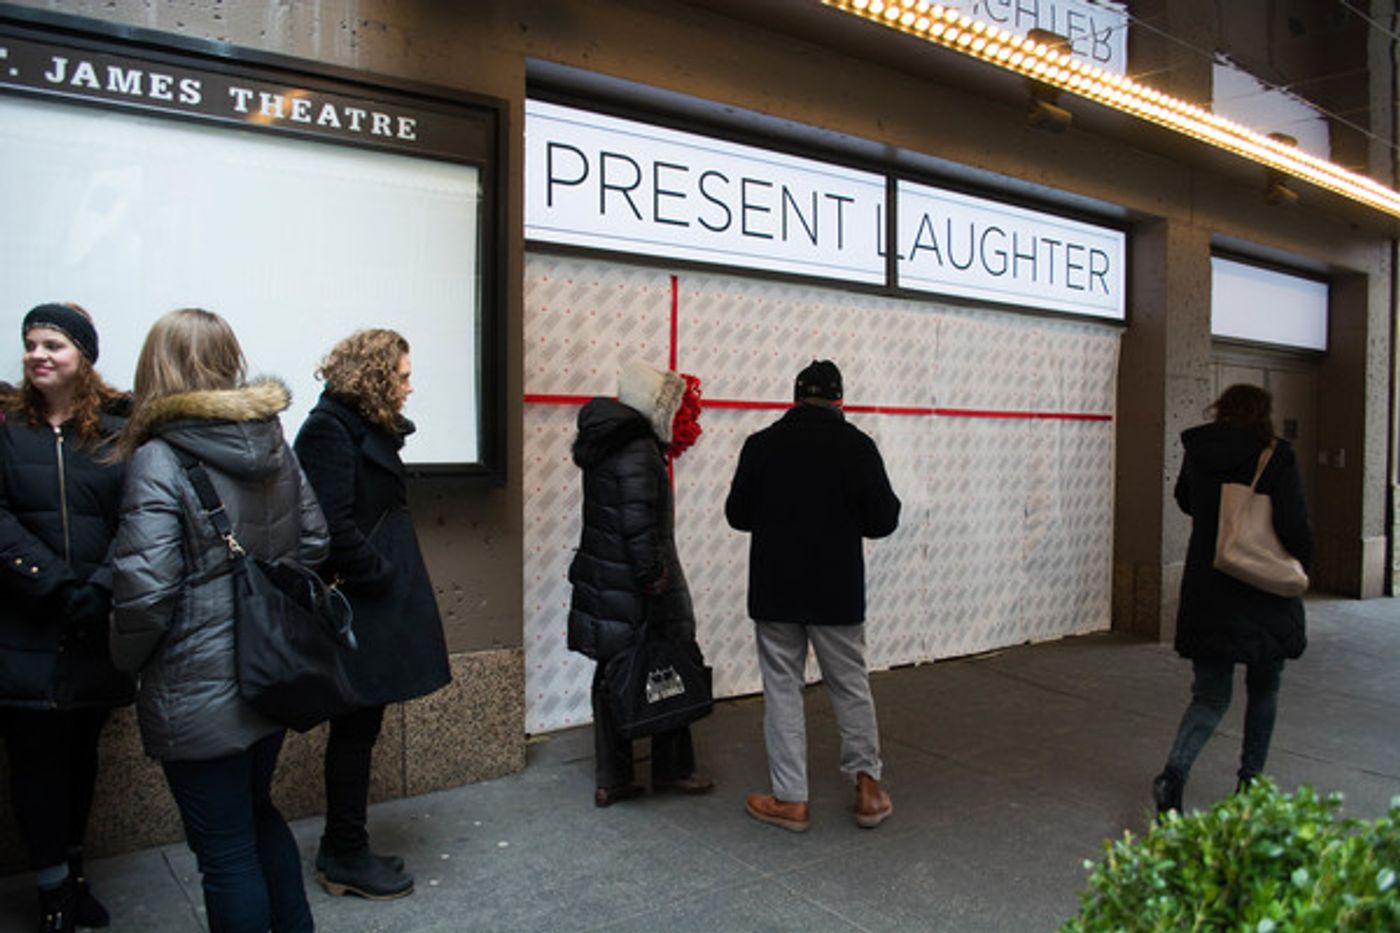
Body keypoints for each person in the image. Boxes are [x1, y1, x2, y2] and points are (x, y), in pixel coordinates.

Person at [109, 309, 327, 933]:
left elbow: (146, 593)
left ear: (156, 367)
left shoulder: (159, 456)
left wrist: (124, 661)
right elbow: (315, 541)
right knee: (259, 814)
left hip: (195, 684)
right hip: (270, 670)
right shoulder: (271, 439)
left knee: (226, 852)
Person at [292, 329, 450, 900]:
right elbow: (329, 526)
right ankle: (343, 852)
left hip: (376, 603)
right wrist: (378, 573)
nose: (410, 387)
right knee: (355, 731)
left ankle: (345, 846)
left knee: (361, 728)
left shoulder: (360, 426)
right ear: (376, 377)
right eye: (402, 376)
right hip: (360, 604)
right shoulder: (328, 430)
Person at [0, 303, 134, 933]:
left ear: (84, 355)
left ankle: (75, 875)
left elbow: (137, 518)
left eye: (52, 344)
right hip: (25, 622)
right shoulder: (7, 427)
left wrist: (100, 587)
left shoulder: (117, 431)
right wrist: (50, 581)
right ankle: (52, 890)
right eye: (31, 344)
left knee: (82, 755)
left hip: (94, 623)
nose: (38, 354)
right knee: (34, 761)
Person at [725, 359, 901, 833]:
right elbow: (884, 520)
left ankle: (790, 800)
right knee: (850, 685)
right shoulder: (858, 447)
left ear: (795, 397)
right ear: (840, 400)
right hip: (836, 592)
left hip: (775, 590)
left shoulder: (761, 445)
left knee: (782, 689)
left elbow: (737, 515)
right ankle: (868, 789)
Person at [1152, 383, 1312, 815]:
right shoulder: (1275, 455)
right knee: (1264, 689)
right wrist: (1302, 564)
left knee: (1209, 695)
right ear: (1264, 412)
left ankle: (1172, 777)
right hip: (1263, 588)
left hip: (1209, 585)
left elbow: (1185, 500)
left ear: (1221, 408)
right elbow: (1295, 523)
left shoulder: (1199, 449)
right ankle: (1250, 784)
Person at [567, 358, 714, 807]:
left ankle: (613, 778)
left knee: (613, 672)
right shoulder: (637, 449)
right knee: (670, 661)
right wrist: (656, 578)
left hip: (605, 579)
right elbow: (637, 527)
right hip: (634, 583)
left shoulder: (606, 440)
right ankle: (673, 769)